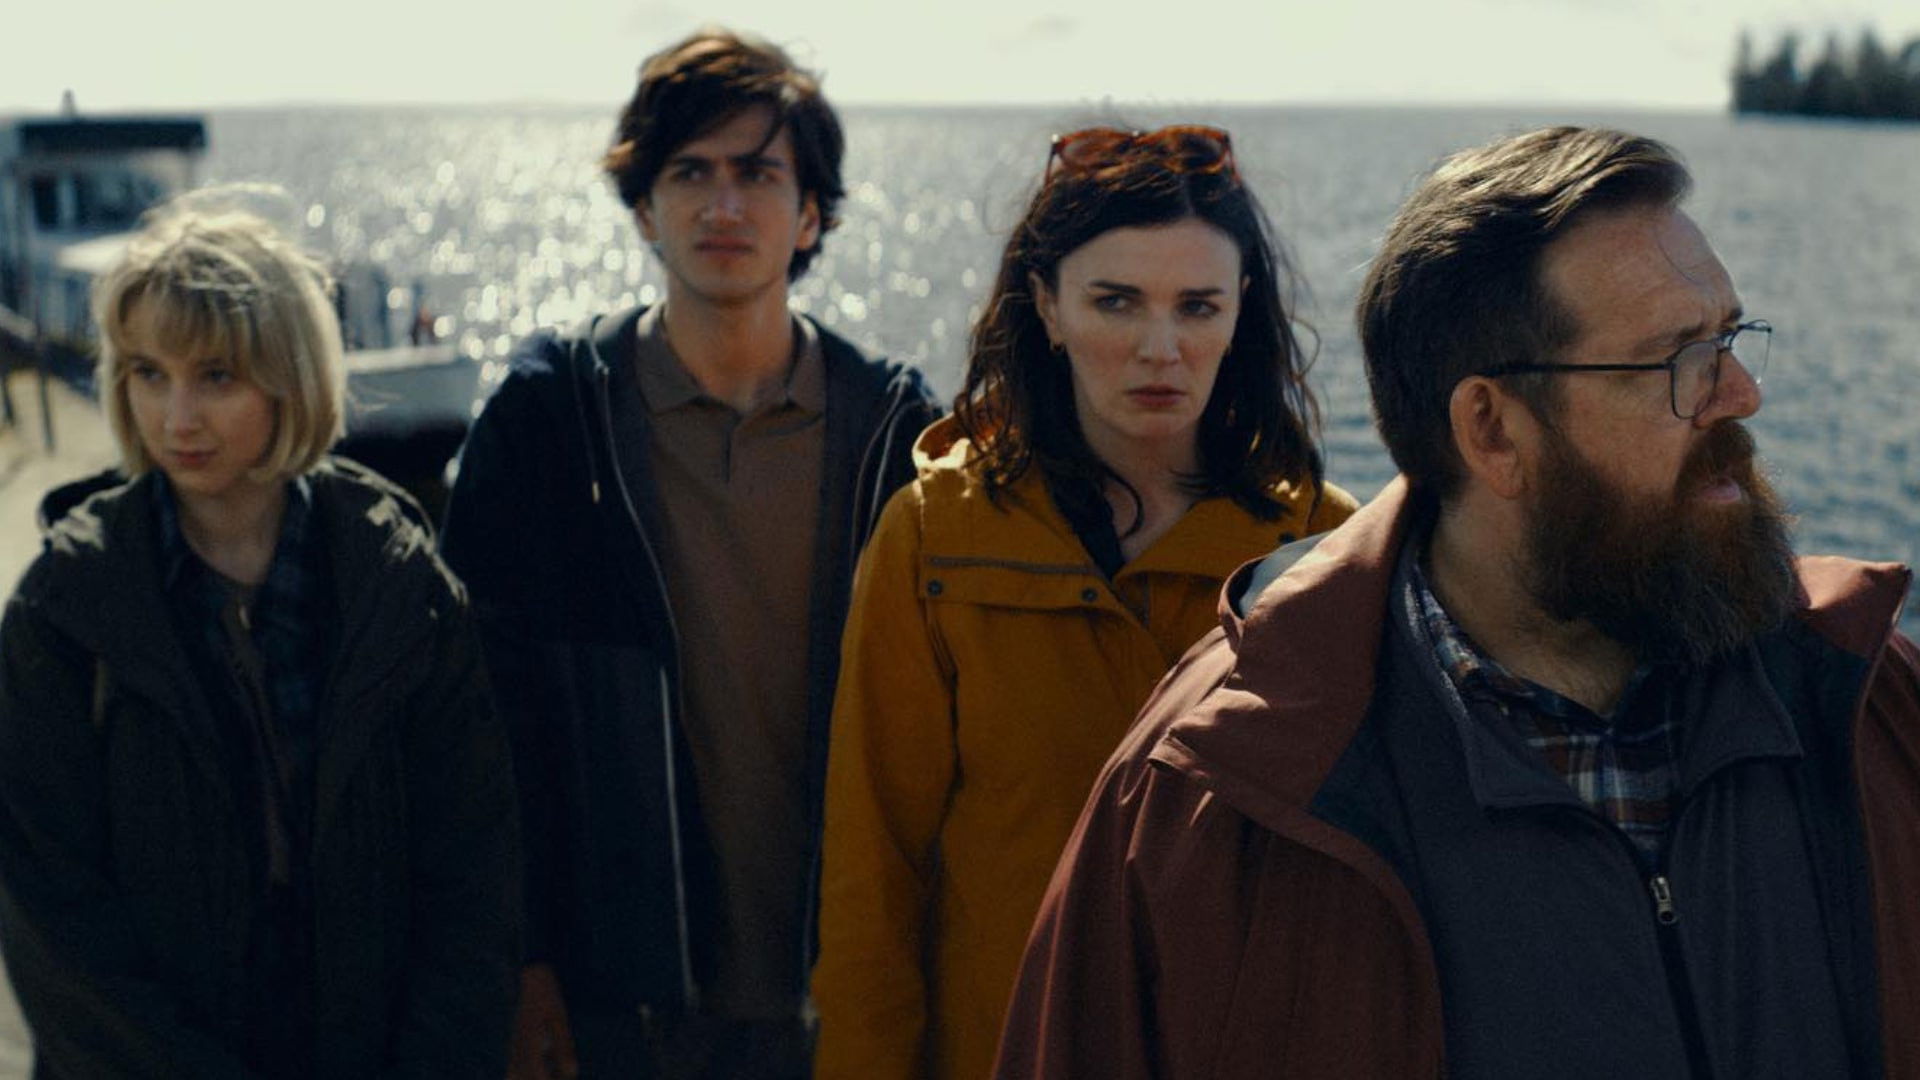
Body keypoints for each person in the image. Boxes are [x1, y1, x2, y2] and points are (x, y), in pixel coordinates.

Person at [993, 125, 1920, 1079]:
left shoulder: (1873, 704)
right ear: (1491, 429)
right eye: (1679, 359)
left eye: (1728, 337)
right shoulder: (1208, 794)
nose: (1743, 393)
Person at [438, 26, 939, 1080]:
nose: (723, 205)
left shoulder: (895, 433)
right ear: (643, 207)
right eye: (691, 172)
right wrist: (522, 964)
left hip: (847, 990)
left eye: (758, 173)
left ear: (812, 213)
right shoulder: (551, 422)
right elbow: (480, 718)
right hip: (620, 1004)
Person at [811, 124, 1357, 1080]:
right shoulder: (933, 535)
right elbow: (874, 879)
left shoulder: (1322, 546)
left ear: (1241, 312)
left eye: (1198, 306)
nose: (1161, 347)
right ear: (1047, 308)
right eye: (1116, 301)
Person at [0, 203, 521, 1078]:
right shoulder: (64, 613)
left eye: (216, 376)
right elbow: (55, 928)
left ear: (290, 378)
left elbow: (473, 880)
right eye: (148, 373)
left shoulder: (403, 589)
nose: (177, 416)